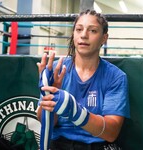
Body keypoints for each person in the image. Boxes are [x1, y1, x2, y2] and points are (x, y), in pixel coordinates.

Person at [36, 9, 130, 150]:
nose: (84, 35)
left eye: (92, 31)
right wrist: (49, 98)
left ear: (104, 38)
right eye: (79, 29)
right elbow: (46, 122)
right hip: (59, 143)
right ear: (73, 34)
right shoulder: (57, 70)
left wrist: (75, 111)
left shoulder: (115, 77)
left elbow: (111, 133)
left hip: (97, 145)